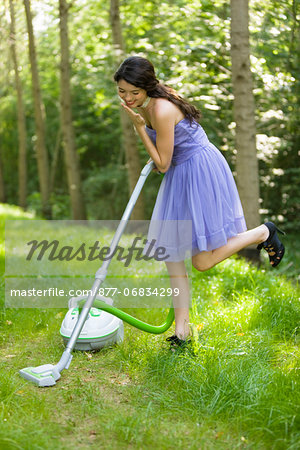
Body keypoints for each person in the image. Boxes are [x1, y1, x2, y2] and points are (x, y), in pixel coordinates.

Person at [114, 56, 285, 350]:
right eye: (122, 92)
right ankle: (182, 333)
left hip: (198, 173)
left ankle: (262, 233)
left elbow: (163, 164)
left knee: (202, 261)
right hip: (181, 174)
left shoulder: (162, 109)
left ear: (147, 87)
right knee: (171, 251)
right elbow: (164, 159)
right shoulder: (150, 104)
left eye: (134, 93)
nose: (128, 99)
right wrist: (147, 133)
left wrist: (140, 128)